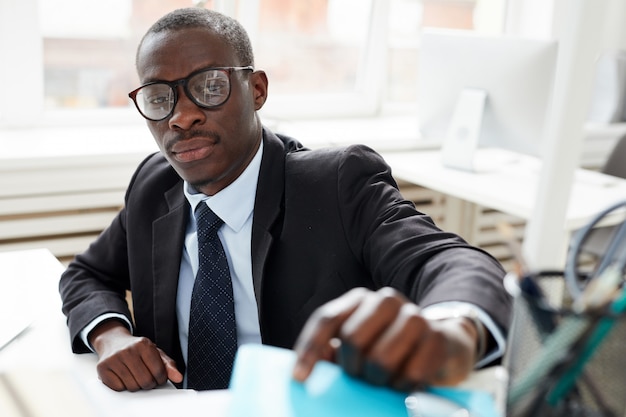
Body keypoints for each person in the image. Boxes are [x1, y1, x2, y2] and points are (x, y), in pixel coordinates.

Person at [59, 7, 511, 393]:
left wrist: (454, 328)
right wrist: (110, 334)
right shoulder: (155, 186)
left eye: (210, 86)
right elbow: (87, 273)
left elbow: (451, 262)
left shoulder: (336, 183)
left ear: (256, 90)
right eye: (159, 98)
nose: (181, 116)